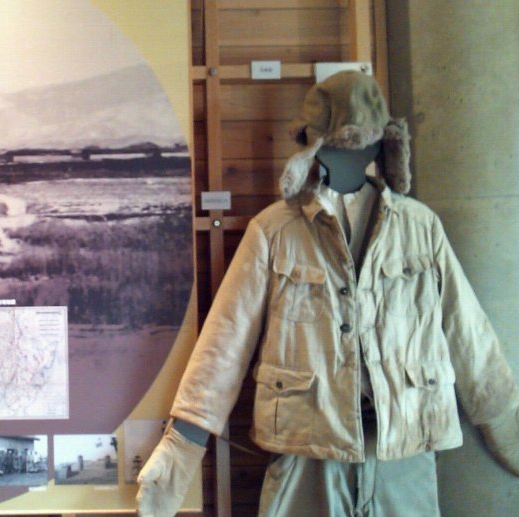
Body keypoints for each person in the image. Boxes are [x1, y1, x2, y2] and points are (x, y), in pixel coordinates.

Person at [136, 71, 519, 517]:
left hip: (404, 451)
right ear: (313, 151)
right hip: (307, 451)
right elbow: (226, 342)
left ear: (381, 148)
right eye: (336, 147)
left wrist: (506, 426)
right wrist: (181, 448)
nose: (350, 157)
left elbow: (466, 330)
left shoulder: (420, 228)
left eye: (362, 147)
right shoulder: (274, 231)